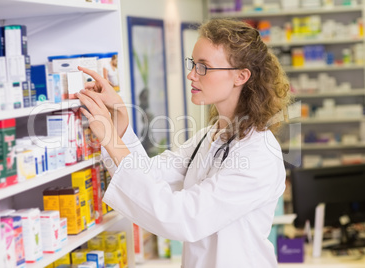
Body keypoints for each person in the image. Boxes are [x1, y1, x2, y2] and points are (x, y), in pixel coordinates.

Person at [76, 18, 291, 268]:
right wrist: (120, 121)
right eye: (193, 64)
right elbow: (150, 174)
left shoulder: (258, 154)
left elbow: (182, 217)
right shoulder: (211, 136)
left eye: (204, 67)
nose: (191, 75)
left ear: (241, 76)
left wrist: (111, 139)